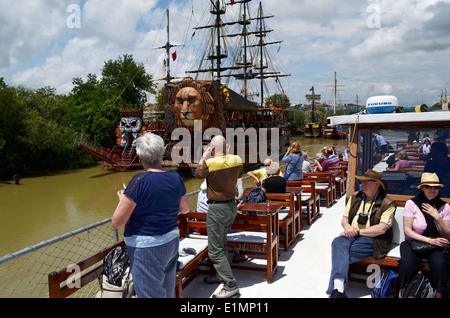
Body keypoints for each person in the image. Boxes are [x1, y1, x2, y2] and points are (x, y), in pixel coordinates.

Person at [111, 132, 191, 298]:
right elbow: (185, 209)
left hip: (146, 247)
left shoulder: (138, 181)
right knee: (168, 291)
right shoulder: (175, 177)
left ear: (140, 158)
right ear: (162, 154)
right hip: (170, 241)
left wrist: (122, 200)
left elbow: (117, 222)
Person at [327, 169, 396, 298]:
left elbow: (382, 229)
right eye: (362, 181)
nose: (363, 184)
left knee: (340, 252)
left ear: (377, 184)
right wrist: (347, 227)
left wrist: (357, 231)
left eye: (367, 182)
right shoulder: (355, 197)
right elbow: (345, 219)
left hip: (374, 238)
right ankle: (339, 290)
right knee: (337, 242)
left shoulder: (388, 203)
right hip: (352, 234)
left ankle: (336, 290)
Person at [195, 135, 244, 298]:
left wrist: (206, 154)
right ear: (227, 147)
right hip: (231, 207)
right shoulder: (237, 160)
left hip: (217, 209)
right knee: (222, 244)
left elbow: (198, 173)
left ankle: (230, 286)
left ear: (212, 148)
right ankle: (219, 276)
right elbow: (238, 175)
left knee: (215, 251)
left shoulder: (209, 164)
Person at [398, 173, 450, 298]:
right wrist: (429, 240)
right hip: (414, 243)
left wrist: (437, 217)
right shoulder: (412, 203)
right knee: (406, 263)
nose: (432, 190)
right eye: (428, 187)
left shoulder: (445, 207)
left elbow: (447, 235)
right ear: (422, 188)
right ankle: (403, 290)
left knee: (440, 263)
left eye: (435, 187)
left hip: (435, 246)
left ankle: (439, 293)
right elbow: (408, 231)